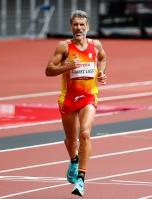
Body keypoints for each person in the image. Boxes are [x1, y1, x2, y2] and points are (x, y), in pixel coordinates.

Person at [45, 10, 107, 197]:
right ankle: (73, 159)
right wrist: (67, 66)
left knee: (85, 134)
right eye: (75, 25)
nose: (78, 28)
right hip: (68, 98)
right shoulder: (64, 47)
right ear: (71, 27)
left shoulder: (95, 45)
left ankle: (81, 179)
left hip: (89, 96)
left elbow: (102, 58)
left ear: (87, 26)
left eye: (82, 25)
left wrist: (101, 73)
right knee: (72, 141)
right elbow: (48, 70)